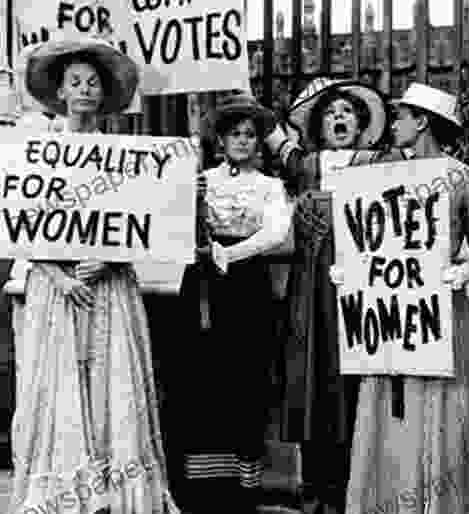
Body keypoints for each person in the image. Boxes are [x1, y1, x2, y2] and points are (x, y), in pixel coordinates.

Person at [10, 35, 179, 514]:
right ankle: (62, 494)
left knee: (109, 376)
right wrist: (57, 274)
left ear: (102, 95)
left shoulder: (124, 155)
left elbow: (147, 225)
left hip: (108, 284)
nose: (84, 90)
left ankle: (114, 487)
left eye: (92, 83)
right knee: (59, 379)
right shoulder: (37, 150)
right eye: (75, 82)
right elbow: (19, 221)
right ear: (60, 92)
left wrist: (111, 259)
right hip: (55, 286)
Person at [332, 82, 469, 514]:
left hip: (438, 309)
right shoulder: (381, 176)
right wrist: (351, 270)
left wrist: (462, 273)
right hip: (391, 314)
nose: (394, 124)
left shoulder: (461, 177)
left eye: (401, 116)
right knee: (388, 404)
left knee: (437, 404)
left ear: (422, 121)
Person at [264, 77, 390, 513]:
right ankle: (316, 486)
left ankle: (358, 484)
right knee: (312, 375)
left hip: (361, 286)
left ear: (361, 124)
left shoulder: (380, 161)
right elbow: (267, 130)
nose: (339, 118)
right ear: (319, 124)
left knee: (353, 379)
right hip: (311, 288)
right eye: (331, 112)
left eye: (348, 112)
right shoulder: (306, 164)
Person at [174, 91, 292, 514]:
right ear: (220, 141)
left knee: (245, 379)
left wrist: (230, 253)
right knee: (202, 378)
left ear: (259, 142)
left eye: (249, 135)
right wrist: (190, 202)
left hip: (246, 287)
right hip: (202, 285)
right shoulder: (202, 179)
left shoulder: (270, 186)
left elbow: (276, 233)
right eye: (233, 134)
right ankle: (203, 487)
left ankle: (244, 487)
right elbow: (172, 224)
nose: (242, 141)